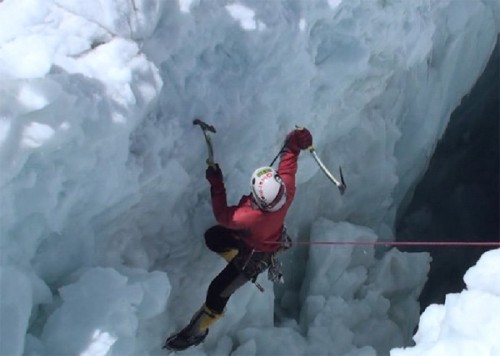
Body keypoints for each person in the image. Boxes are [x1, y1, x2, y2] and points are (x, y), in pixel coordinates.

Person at [164, 128, 313, 351]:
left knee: (217, 291)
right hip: (256, 242)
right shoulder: (287, 191)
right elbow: (289, 161)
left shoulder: (249, 216)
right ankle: (235, 260)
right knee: (213, 238)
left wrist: (216, 181)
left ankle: (197, 331)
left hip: (253, 258)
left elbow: (223, 215)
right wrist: (296, 142)